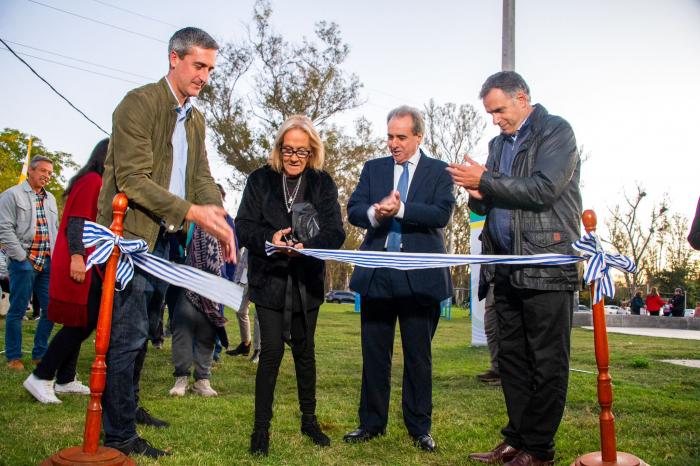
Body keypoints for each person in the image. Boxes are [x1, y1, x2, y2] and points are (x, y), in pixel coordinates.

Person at [95, 27, 235, 459]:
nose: (205, 77)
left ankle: (130, 406)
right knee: (128, 335)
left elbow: (201, 179)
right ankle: (117, 435)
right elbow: (131, 180)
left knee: (147, 330)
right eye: (199, 66)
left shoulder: (194, 119)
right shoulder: (139, 103)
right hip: (129, 236)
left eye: (210, 69)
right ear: (173, 58)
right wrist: (193, 212)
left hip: (167, 242)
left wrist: (219, 217)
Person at [448, 71, 581, 466]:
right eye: (490, 113)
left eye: (499, 110)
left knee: (546, 361)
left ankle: (539, 450)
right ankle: (517, 439)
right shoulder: (497, 143)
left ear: (522, 98)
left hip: (545, 263)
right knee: (511, 360)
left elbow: (543, 190)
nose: (495, 119)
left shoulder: (556, 132)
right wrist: (477, 195)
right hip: (503, 265)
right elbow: (491, 201)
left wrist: (486, 180)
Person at [344, 105, 455, 452]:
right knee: (374, 355)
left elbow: (441, 214)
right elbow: (354, 210)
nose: (393, 143)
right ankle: (371, 423)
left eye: (401, 137)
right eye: (390, 136)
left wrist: (402, 209)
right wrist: (376, 212)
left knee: (417, 356)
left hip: (420, 279)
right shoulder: (373, 169)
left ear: (418, 137)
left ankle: (419, 428)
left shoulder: (439, 171)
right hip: (378, 276)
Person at [236, 115, 345, 456]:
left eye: (301, 150)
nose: (294, 157)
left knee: (304, 352)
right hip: (269, 280)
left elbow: (335, 232)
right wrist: (270, 238)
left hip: (306, 282)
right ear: (278, 149)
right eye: (288, 150)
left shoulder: (322, 183)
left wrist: (307, 247)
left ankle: (309, 420)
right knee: (270, 352)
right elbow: (243, 225)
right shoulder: (260, 180)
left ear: (312, 151)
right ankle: (260, 430)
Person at [22, 139, 108, 403]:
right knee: (82, 321)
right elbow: (77, 222)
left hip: (85, 259)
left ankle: (66, 378)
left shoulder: (92, 181)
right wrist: (77, 257)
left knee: (80, 319)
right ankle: (41, 375)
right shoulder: (93, 181)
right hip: (79, 259)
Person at [0, 155, 58, 371]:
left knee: (52, 309)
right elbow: (4, 228)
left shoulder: (50, 199)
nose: (47, 176)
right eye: (43, 171)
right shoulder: (11, 195)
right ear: (31, 171)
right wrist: (21, 258)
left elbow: (55, 229)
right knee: (17, 310)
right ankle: (13, 358)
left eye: (50, 173)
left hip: (47, 262)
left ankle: (40, 354)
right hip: (23, 262)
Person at [169, 223, 226, 397]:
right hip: (188, 277)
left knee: (207, 330)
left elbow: (231, 248)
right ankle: (181, 378)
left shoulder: (224, 220)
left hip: (213, 281)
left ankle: (202, 379)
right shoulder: (189, 215)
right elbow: (176, 237)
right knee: (183, 327)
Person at [226, 247, 261, 362]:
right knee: (240, 310)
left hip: (261, 274)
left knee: (258, 315)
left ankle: (258, 350)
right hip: (246, 272)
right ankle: (246, 344)